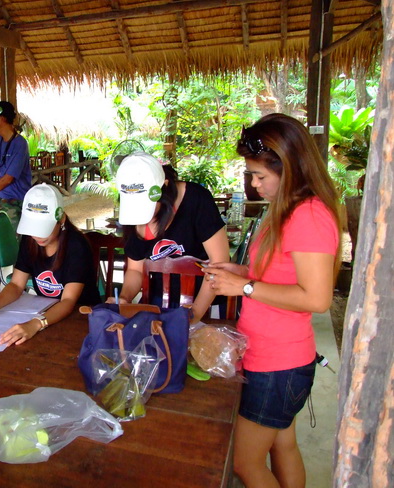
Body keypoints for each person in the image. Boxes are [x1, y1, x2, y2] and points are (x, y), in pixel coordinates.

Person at [206, 113, 341, 488]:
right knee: (283, 447)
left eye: (260, 176)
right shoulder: (283, 209)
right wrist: (239, 272)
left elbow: (315, 298)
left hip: (278, 365)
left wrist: (244, 288)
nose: (254, 184)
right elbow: (278, 278)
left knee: (244, 464)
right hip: (273, 357)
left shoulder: (308, 215)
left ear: (291, 167)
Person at [108, 152, 229, 323]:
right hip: (158, 302)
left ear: (164, 187)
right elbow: (135, 269)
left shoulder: (196, 200)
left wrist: (193, 316)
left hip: (206, 302)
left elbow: (219, 264)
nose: (143, 217)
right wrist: (125, 298)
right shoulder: (130, 216)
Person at [0, 184, 100, 347]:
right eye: (33, 228)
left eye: (43, 228)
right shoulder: (29, 241)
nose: (37, 236)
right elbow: (16, 285)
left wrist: (36, 324)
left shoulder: (76, 245)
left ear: (61, 219)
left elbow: (68, 301)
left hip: (80, 317)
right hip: (47, 315)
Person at [0, 101, 32, 302]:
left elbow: (9, 177)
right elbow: (0, 169)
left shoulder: (20, 144)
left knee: (15, 251)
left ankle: (20, 294)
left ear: (2, 118)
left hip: (13, 204)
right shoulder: (0, 141)